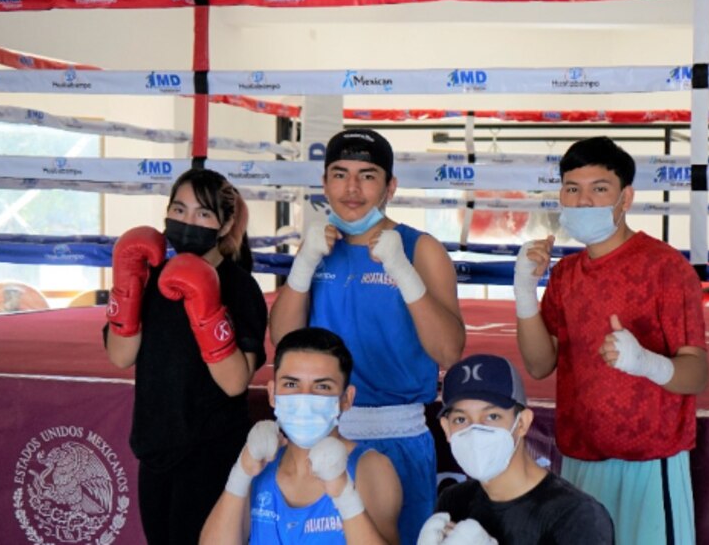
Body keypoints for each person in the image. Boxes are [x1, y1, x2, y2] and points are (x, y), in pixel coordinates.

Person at [270, 128, 465, 545]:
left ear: (390, 186)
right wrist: (303, 264)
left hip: (398, 436)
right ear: (324, 183)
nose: (352, 188)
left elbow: (449, 350)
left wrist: (402, 271)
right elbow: (283, 341)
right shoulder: (316, 248)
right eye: (340, 174)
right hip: (321, 433)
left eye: (368, 175)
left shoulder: (420, 249)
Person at [513, 137, 708, 545]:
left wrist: (647, 363)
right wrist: (526, 293)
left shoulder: (665, 268)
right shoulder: (566, 274)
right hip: (581, 461)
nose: (583, 202)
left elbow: (697, 373)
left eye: (599, 188)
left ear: (626, 197)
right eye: (572, 188)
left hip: (650, 464)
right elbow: (538, 364)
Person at [104, 168, 267, 544]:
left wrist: (206, 308)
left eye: (203, 214)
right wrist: (126, 287)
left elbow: (234, 383)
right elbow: (120, 355)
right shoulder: (147, 274)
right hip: (156, 446)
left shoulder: (240, 287)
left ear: (225, 225)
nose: (187, 222)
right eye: (179, 210)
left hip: (212, 452)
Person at [200, 327, 402, 544]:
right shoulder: (258, 466)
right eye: (291, 384)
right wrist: (241, 472)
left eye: (322, 386)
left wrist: (344, 495)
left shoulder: (370, 467)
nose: (305, 397)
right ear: (272, 394)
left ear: (347, 399)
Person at [419, 354, 614, 545]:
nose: (475, 429)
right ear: (447, 429)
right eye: (461, 419)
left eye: (492, 416)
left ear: (522, 423)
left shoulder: (578, 516)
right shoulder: (454, 500)